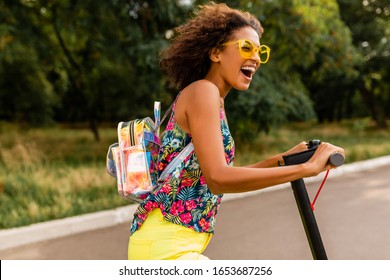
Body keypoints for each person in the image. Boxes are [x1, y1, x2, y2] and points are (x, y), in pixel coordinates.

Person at [128, 2, 345, 260]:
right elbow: (218, 178)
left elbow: (221, 175)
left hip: (171, 244)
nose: (255, 57)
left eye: (259, 51)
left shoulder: (213, 99)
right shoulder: (203, 92)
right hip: (167, 248)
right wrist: (304, 170)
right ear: (216, 53)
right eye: (245, 47)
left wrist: (282, 160)